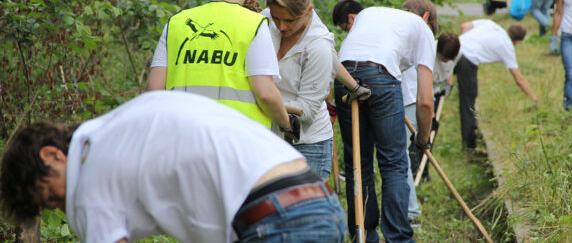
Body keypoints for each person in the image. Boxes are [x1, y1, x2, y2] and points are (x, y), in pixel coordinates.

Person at [0, 91, 347, 243]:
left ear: (52, 156)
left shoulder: (88, 170)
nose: (62, 206)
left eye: (50, 196)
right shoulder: (120, 126)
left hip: (276, 221)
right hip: (319, 203)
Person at [145, 0, 297, 138]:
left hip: (182, 135)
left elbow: (154, 89)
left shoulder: (176, 23)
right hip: (237, 139)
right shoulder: (254, 24)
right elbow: (265, 93)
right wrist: (287, 124)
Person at [332, 0, 437, 243]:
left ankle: (364, 235)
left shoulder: (371, 13)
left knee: (358, 162)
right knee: (394, 163)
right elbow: (425, 100)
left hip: (343, 73)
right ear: (429, 20)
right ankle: (398, 238)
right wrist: (422, 139)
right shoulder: (424, 31)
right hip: (379, 75)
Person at [261, 0, 369, 179]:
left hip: (307, 146)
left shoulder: (318, 46)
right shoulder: (265, 20)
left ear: (308, 12)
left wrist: (263, 99)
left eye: (289, 20)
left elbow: (306, 111)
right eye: (277, 18)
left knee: (303, 211)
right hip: (267, 137)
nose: (281, 26)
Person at [402, 31, 460, 223]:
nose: (444, 61)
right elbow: (421, 92)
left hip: (437, 90)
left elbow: (450, 71)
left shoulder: (456, 53)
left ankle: (424, 172)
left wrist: (447, 89)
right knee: (417, 137)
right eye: (442, 58)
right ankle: (413, 172)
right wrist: (430, 111)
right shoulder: (427, 52)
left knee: (430, 136)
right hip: (420, 95)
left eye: (447, 59)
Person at [455, 20, 539, 149]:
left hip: (454, 48)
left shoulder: (491, 24)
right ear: (517, 42)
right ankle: (469, 144)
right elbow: (519, 78)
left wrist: (463, 45)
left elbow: (464, 26)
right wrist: (534, 97)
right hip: (467, 60)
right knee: (468, 102)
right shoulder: (507, 46)